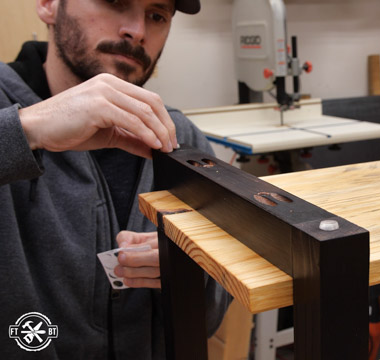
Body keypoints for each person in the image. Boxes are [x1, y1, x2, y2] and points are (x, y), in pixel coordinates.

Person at [0, 0, 231, 358]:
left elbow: (211, 315)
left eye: (157, 16)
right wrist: (24, 131)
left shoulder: (181, 138)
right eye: (115, 2)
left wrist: (193, 273)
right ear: (47, 5)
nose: (137, 31)